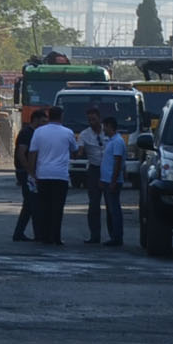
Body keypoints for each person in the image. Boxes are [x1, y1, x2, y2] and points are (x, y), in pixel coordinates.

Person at [29, 106, 75, 245]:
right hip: (60, 176)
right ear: (61, 116)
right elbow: (74, 149)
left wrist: (32, 173)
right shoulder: (68, 132)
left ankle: (44, 236)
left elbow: (32, 153)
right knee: (57, 208)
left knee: (44, 207)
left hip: (43, 174)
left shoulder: (39, 132)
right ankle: (56, 237)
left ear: (49, 116)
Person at [76, 105, 104, 244]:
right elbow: (80, 150)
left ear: (99, 118)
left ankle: (115, 236)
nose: (92, 122)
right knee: (93, 204)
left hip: (108, 169)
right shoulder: (84, 134)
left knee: (112, 204)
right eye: (89, 120)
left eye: (94, 119)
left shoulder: (108, 131)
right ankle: (95, 235)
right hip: (94, 169)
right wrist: (77, 152)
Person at [11, 113, 41, 242]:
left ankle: (20, 233)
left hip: (28, 172)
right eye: (43, 121)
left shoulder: (34, 133)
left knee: (30, 204)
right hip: (25, 172)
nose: (45, 124)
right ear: (36, 120)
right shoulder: (26, 133)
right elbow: (21, 153)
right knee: (31, 202)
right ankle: (34, 234)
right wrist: (29, 171)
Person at [99, 114, 126, 247]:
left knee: (114, 210)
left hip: (112, 181)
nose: (103, 129)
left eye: (104, 126)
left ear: (110, 126)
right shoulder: (111, 141)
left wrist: (113, 181)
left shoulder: (117, 141)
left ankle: (117, 237)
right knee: (110, 210)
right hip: (107, 180)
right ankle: (113, 236)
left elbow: (117, 162)